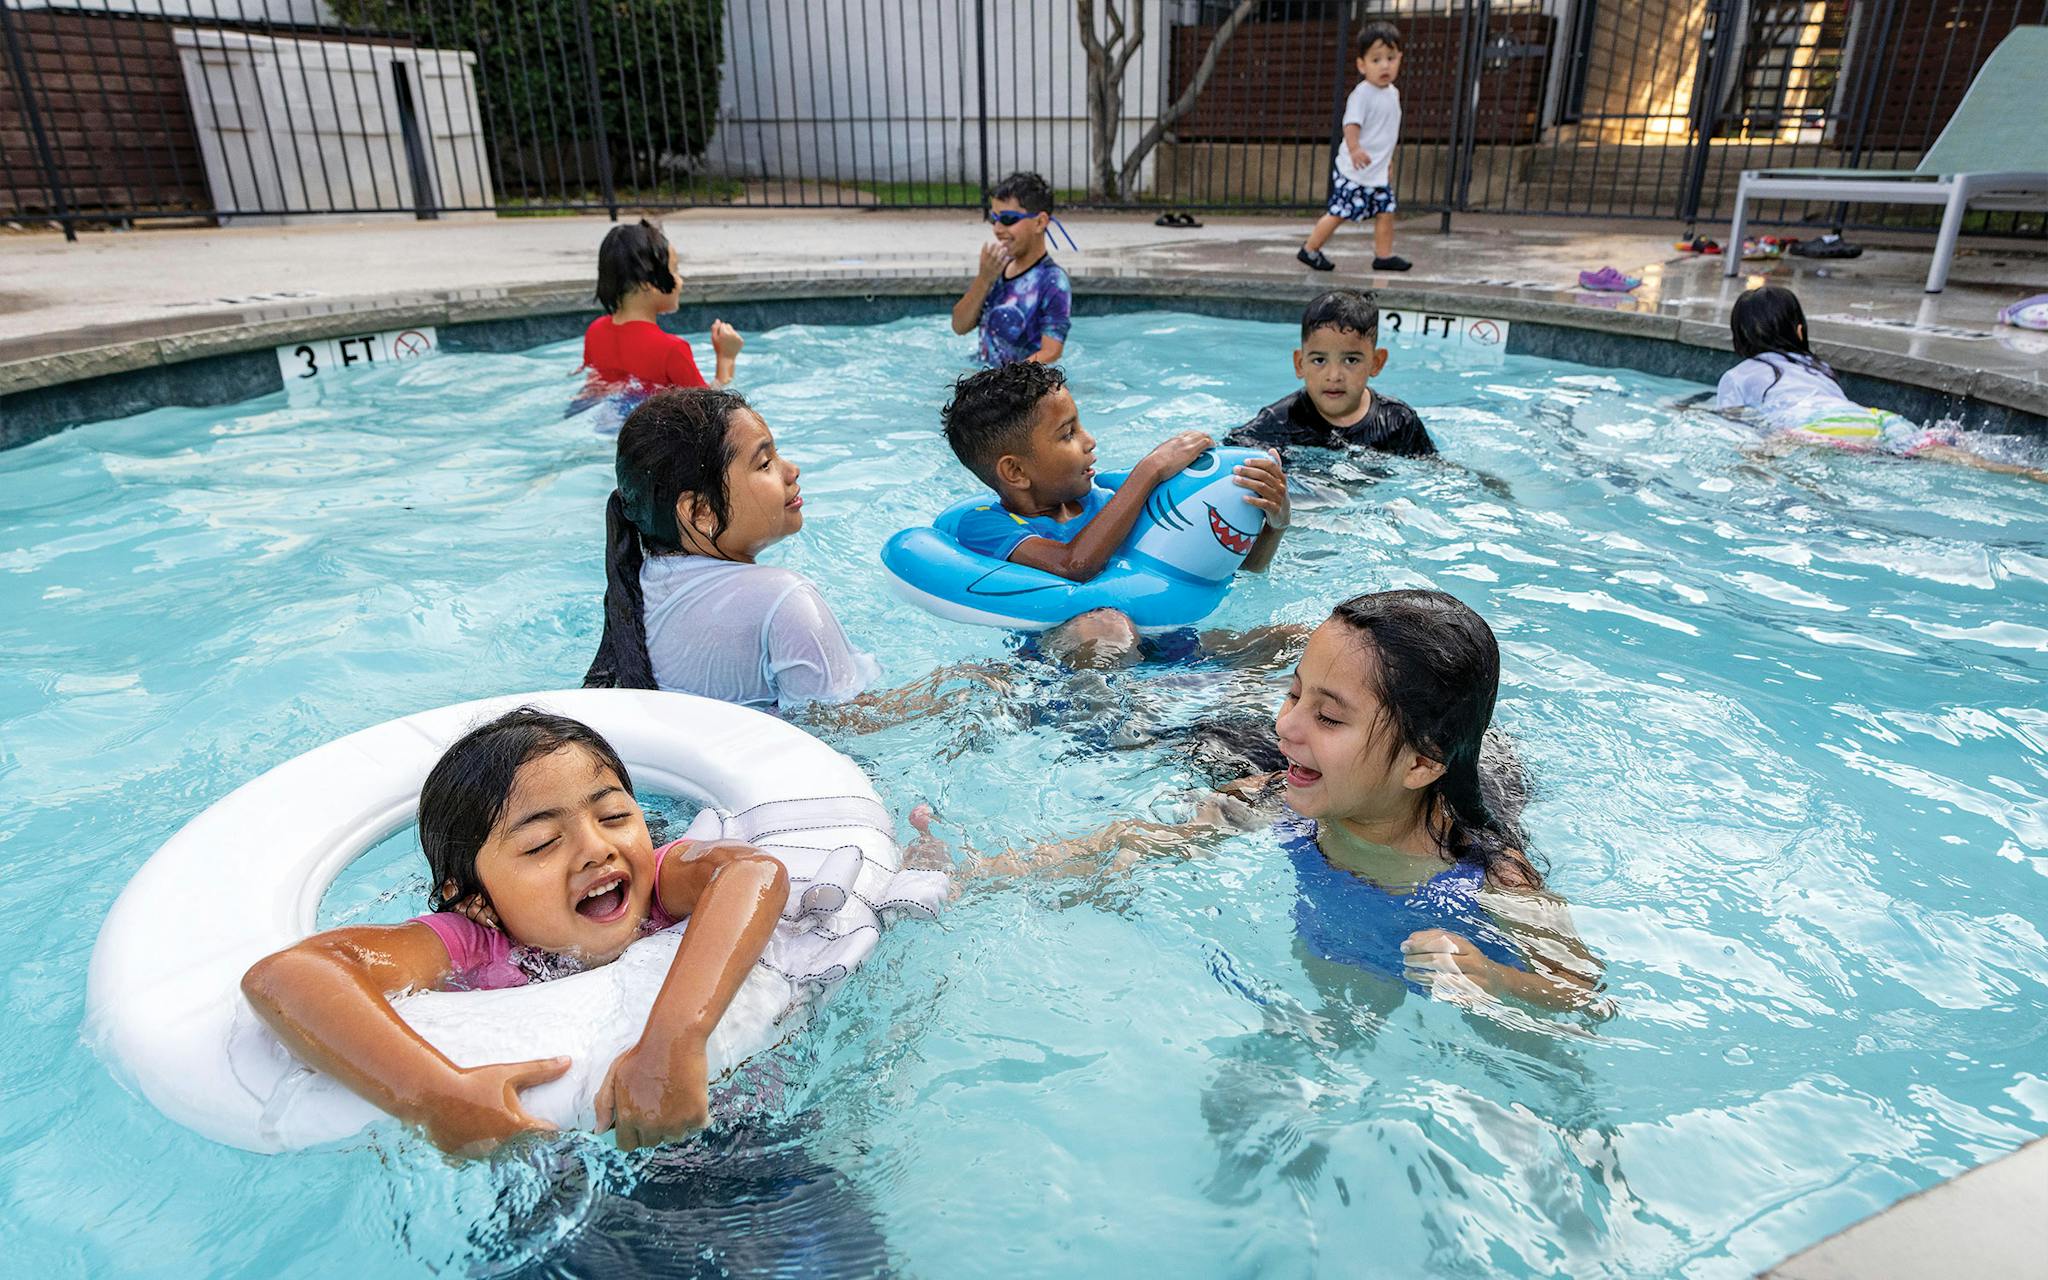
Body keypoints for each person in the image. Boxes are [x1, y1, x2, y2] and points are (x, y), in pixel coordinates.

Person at [947, 591, 1603, 1011]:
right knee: (1101, 718)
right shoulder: (1277, 793)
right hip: (1268, 757)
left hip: (1462, 782)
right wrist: (960, 881)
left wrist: (1492, 976)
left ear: (1423, 760)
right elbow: (1130, 838)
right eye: (1294, 694)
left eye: (1329, 715)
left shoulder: (1493, 877)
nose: (1287, 723)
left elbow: (1581, 993)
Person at [240, 708, 790, 1156]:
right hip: (556, 1162)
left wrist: (674, 1041)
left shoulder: (661, 887)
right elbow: (288, 974)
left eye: (615, 817)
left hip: (742, 1122)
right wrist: (436, 1097)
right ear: (478, 899)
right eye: (542, 844)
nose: (597, 848)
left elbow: (752, 872)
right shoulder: (473, 943)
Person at [585, 388, 989, 725]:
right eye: (765, 462)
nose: (791, 470)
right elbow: (838, 725)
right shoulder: (781, 599)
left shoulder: (637, 584)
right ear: (701, 512)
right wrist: (952, 690)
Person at [939, 361, 1292, 667]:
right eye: (1068, 434)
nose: (1089, 440)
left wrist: (1274, 524)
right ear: (1015, 472)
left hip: (1172, 643)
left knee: (1294, 638)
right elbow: (1073, 565)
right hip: (1067, 659)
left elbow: (1228, 571)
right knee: (1108, 627)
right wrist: (1150, 469)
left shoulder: (1108, 499)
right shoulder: (985, 525)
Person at [1719, 285, 2048, 481]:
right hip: (1875, 418)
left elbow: (1734, 423)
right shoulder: (1818, 367)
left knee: (1771, 461)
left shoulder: (1736, 377)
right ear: (1800, 332)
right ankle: (2026, 473)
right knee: (1937, 453)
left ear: (1739, 339)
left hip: (1810, 427)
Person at [1227, 289, 1433, 459]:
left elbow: (1434, 472)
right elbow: (1229, 454)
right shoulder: (1277, 423)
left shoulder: (1398, 421)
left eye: (1351, 360)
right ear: (1300, 364)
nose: (1334, 376)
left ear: (1376, 363)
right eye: (1319, 360)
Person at [582, 220, 743, 396]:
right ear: (648, 283)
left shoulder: (595, 331)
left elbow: (595, 388)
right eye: (674, 271)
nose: (681, 281)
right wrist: (726, 359)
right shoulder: (672, 350)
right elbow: (708, 411)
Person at [1297, 22, 1410, 274]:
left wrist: (1387, 160)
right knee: (1340, 212)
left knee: (1386, 210)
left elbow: (1385, 134)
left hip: (1376, 170)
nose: (1385, 66)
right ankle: (1310, 249)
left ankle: (1383, 255)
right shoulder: (1363, 94)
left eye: (1390, 59)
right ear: (1362, 65)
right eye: (1376, 59)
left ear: (1399, 59)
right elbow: (1351, 124)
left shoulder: (1392, 94)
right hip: (1354, 170)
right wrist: (1355, 148)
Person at [949, 172, 1074, 366]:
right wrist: (983, 279)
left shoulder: (1052, 280)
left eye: (1007, 219)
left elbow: (1051, 352)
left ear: (1040, 222)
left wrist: (1003, 381)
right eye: (994, 219)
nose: (997, 229)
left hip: (1017, 385)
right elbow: (959, 326)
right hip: (984, 376)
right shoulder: (996, 269)